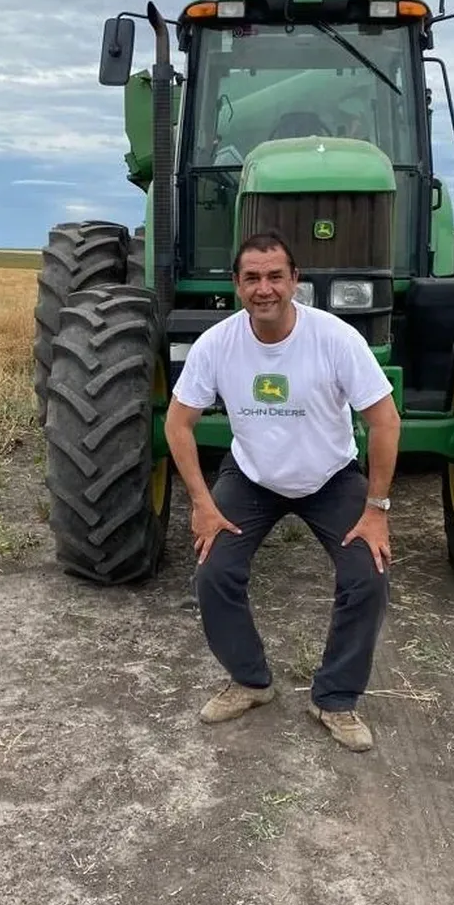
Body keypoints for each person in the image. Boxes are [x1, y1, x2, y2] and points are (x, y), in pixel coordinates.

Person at [164, 229, 401, 752]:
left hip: (330, 478)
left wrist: (376, 508)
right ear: (236, 285)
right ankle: (250, 681)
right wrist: (202, 504)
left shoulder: (335, 338)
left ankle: (335, 699)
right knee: (214, 570)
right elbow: (178, 425)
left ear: (295, 281)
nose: (264, 288)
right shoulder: (217, 344)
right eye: (252, 278)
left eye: (275, 276)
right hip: (252, 477)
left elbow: (384, 422)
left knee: (369, 575)